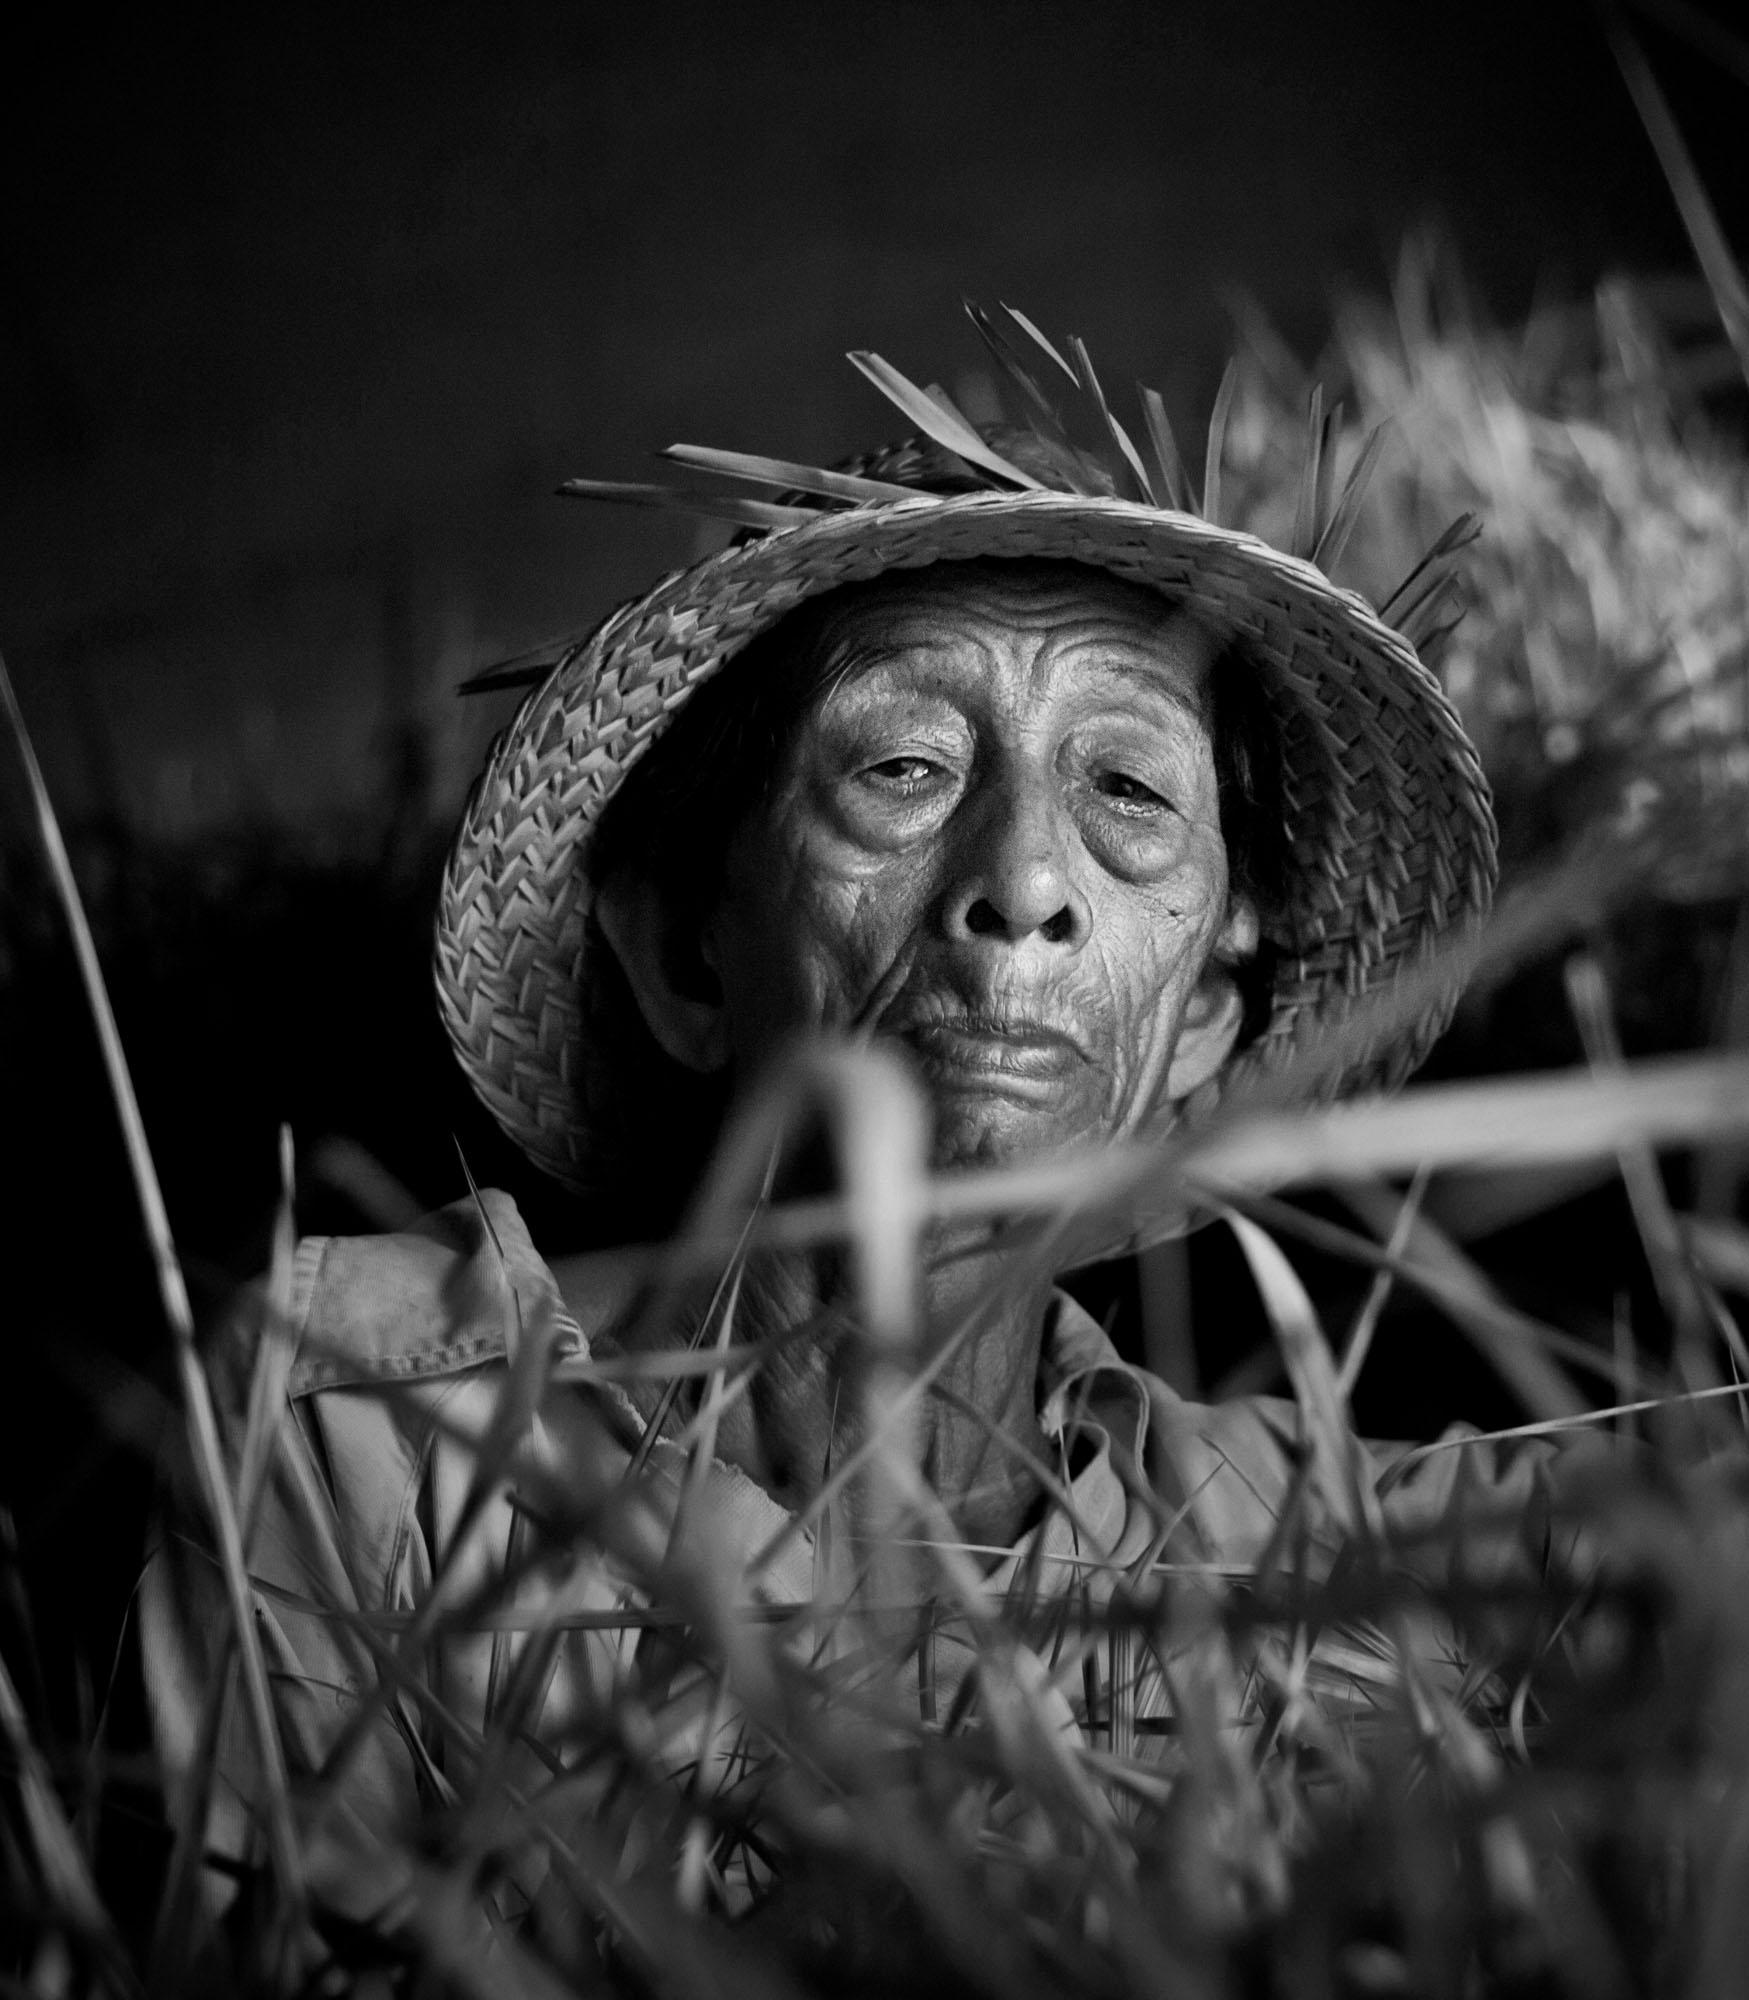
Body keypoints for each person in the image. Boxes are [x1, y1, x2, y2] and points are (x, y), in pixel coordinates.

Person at [142, 320, 1536, 1930]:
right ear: (683, 958)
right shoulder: (375, 1421)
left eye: (1132, 797)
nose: (1022, 886)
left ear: (1204, 1029)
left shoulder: (1304, 1553)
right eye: (904, 762)